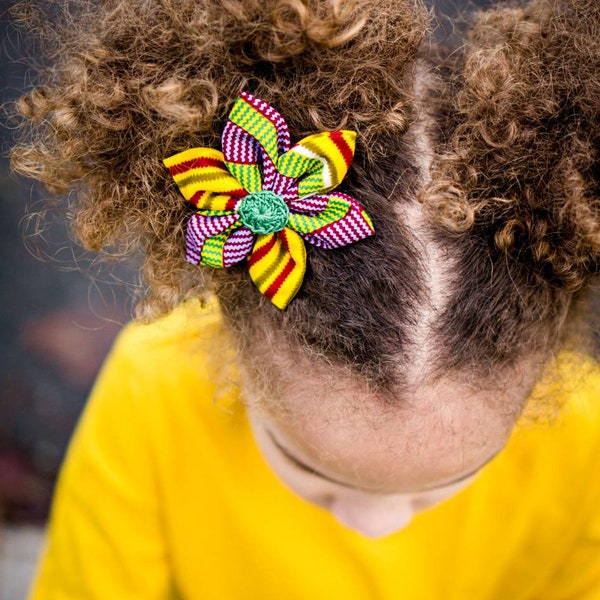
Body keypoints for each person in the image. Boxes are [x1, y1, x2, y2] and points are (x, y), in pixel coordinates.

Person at [10, 0, 600, 597]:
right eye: (310, 468)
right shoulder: (153, 390)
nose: (378, 526)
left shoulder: (585, 439)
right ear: (233, 344)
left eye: (459, 475)